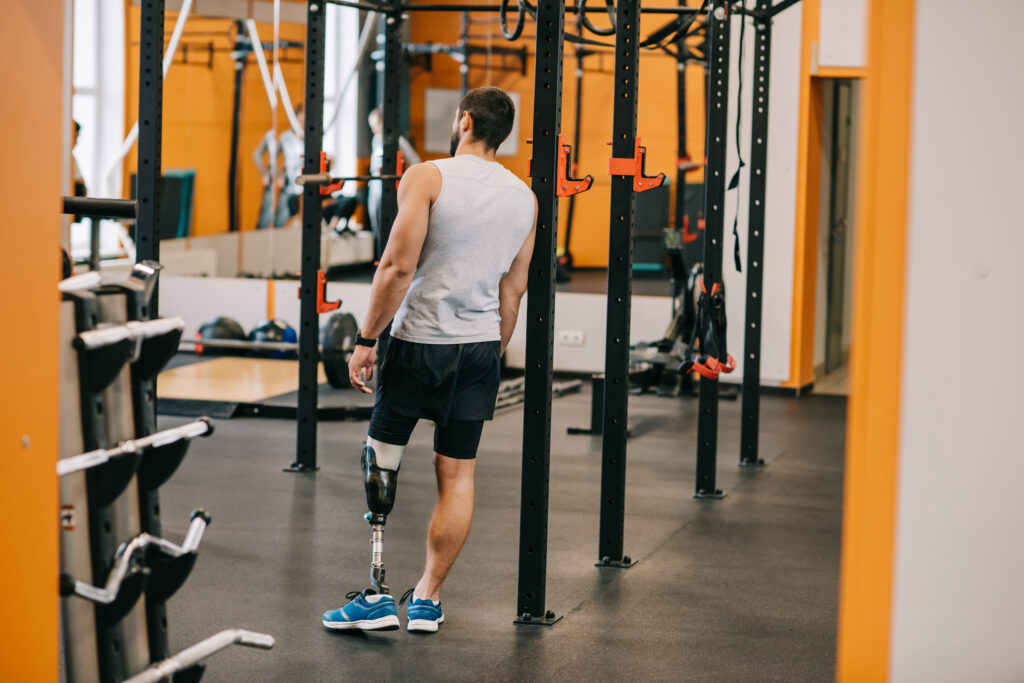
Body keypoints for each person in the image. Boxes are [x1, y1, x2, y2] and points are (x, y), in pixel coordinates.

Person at [322, 87, 536, 633]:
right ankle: (426, 598)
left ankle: (374, 594)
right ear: (500, 134)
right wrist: (491, 346)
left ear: (464, 120)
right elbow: (514, 291)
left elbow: (396, 266)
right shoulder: (524, 197)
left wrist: (367, 339)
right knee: (457, 475)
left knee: (382, 460)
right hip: (481, 348)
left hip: (419, 344)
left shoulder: (427, 176)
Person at [367, 107, 421, 257]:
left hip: (391, 191)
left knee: (391, 230)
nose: (373, 129)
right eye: (371, 126)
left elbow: (415, 160)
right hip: (374, 188)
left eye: (375, 125)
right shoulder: (375, 140)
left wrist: (406, 181)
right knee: (377, 227)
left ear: (383, 122)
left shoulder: (398, 140)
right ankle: (379, 262)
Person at [252, 105, 305, 228]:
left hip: (301, 185)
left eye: (304, 121)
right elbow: (269, 157)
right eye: (300, 121)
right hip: (287, 184)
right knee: (276, 217)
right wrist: (274, 175)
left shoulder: (305, 139)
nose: (302, 124)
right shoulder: (284, 137)